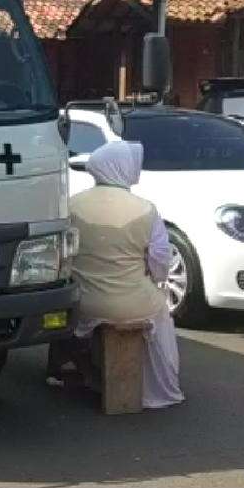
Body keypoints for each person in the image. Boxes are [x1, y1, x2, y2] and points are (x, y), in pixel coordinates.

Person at [50, 140, 184, 410]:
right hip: (131, 304)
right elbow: (160, 261)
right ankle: (157, 384)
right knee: (159, 309)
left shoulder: (71, 204)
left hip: (81, 301)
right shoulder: (146, 209)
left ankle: (70, 369)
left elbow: (60, 253)